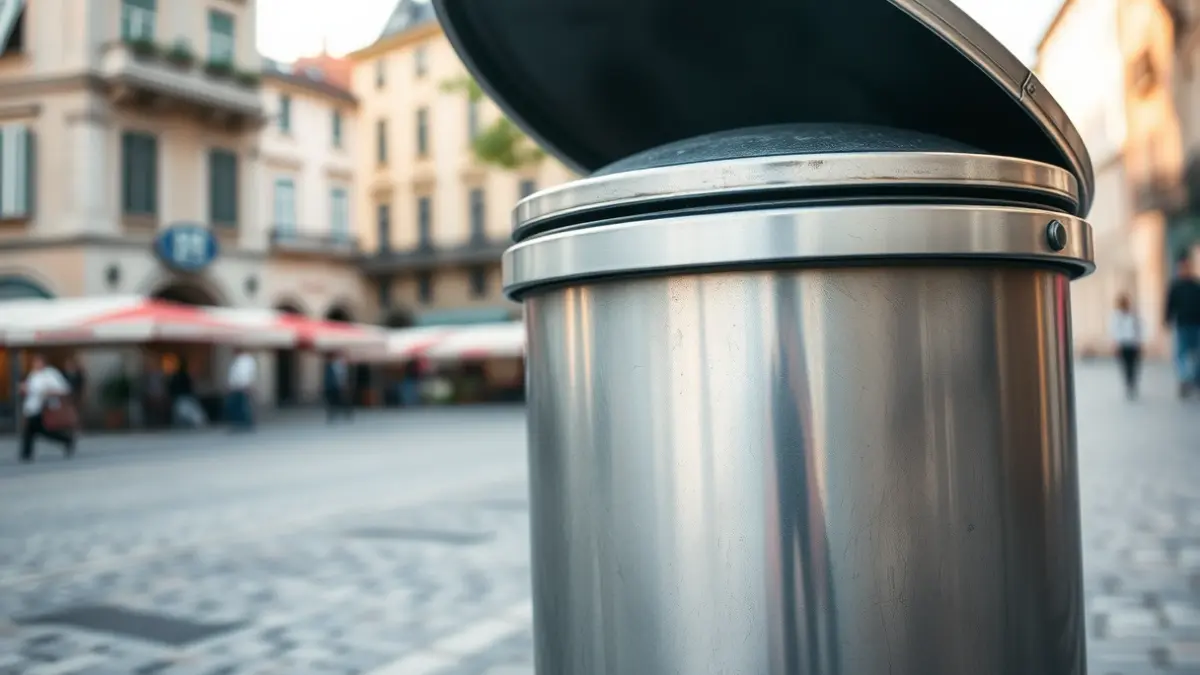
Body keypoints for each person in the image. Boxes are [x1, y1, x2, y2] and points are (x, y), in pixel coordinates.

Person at [19, 353, 76, 462]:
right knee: (35, 430)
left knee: (35, 430)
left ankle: (26, 453)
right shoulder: (33, 374)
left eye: (38, 362)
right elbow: (32, 390)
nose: (35, 364)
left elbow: (64, 389)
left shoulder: (50, 374)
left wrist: (48, 392)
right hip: (32, 407)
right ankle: (66, 440)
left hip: (44, 407)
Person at [1165, 255, 1200, 398]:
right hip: (1182, 325)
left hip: (1197, 324)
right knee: (1181, 354)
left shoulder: (1196, 286)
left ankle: (1195, 380)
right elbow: (1169, 305)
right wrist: (1167, 319)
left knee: (1196, 355)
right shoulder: (1175, 287)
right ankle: (1185, 379)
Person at [1110, 294, 1143, 400]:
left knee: (1133, 366)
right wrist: (1115, 344)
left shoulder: (1133, 315)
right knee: (1125, 366)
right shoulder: (1116, 316)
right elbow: (1114, 331)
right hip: (1123, 344)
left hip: (1132, 344)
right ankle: (1129, 384)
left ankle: (1132, 383)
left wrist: (1139, 341)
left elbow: (1139, 328)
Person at [169, 356, 206, 428]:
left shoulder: (176, 377)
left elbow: (171, 388)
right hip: (185, 398)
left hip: (180, 398)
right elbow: (191, 387)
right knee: (193, 417)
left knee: (180, 418)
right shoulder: (186, 376)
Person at [226, 348, 257, 431]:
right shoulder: (238, 360)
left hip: (242, 386)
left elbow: (246, 374)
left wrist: (247, 385)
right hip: (236, 387)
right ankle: (239, 422)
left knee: (243, 405)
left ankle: (246, 423)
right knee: (238, 405)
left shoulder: (246, 360)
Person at [323, 353, 354, 422]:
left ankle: (343, 414)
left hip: (336, 387)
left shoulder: (337, 366)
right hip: (334, 387)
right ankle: (336, 415)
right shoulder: (336, 366)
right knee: (335, 402)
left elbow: (341, 377)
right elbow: (339, 378)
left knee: (338, 402)